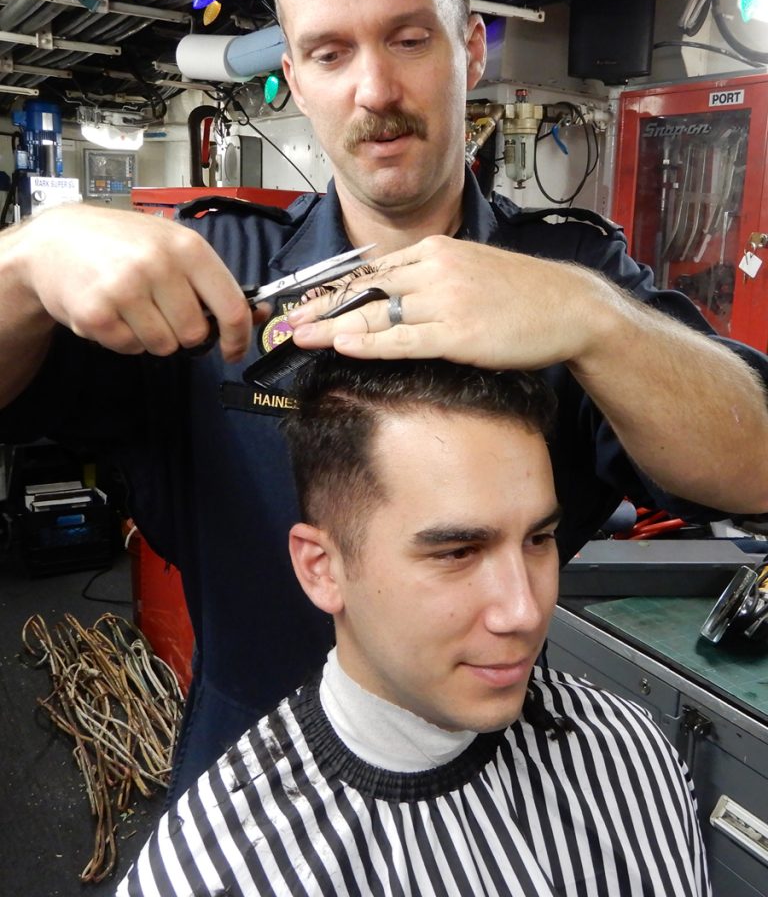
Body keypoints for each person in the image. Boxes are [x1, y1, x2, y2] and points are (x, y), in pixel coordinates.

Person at [0, 0, 766, 800]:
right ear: (293, 72)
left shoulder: (575, 276)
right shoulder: (212, 280)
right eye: (329, 53)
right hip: (258, 798)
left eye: (409, 38)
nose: (375, 89)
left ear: (471, 50)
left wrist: (593, 321)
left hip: (505, 799)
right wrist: (28, 260)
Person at [117, 355, 711, 897]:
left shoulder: (635, 754)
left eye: (538, 539)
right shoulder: (215, 874)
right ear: (322, 569)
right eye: (456, 552)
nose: (525, 611)